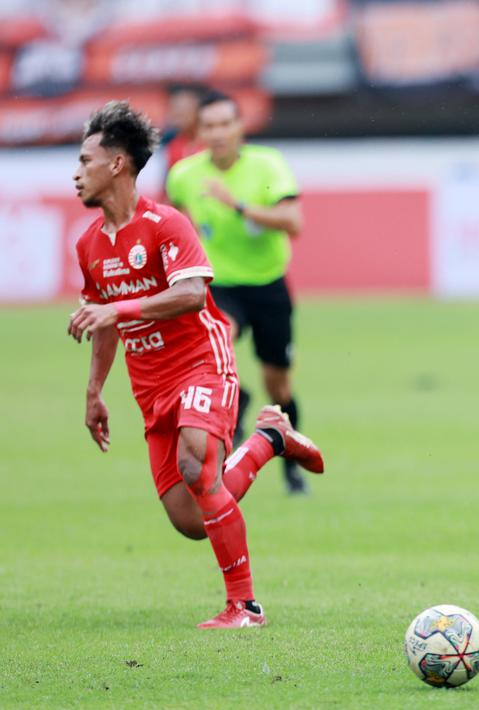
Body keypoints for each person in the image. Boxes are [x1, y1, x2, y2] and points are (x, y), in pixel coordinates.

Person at [68, 101, 325, 628]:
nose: (77, 173)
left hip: (201, 362)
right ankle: (270, 441)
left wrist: (115, 307)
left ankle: (245, 606)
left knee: (196, 467)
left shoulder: (166, 224)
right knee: (190, 520)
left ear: (117, 164)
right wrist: (94, 392)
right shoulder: (89, 244)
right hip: (150, 386)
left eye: (85, 160)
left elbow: (188, 294)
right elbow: (106, 323)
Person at [166, 91, 310, 493]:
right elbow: (177, 222)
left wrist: (239, 206)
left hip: (268, 285)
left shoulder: (267, 165)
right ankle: (236, 398)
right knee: (218, 342)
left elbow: (293, 222)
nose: (217, 133)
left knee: (278, 385)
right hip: (219, 287)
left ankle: (291, 466)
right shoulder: (184, 175)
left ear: (239, 127)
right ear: (199, 131)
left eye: (224, 124)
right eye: (208, 126)